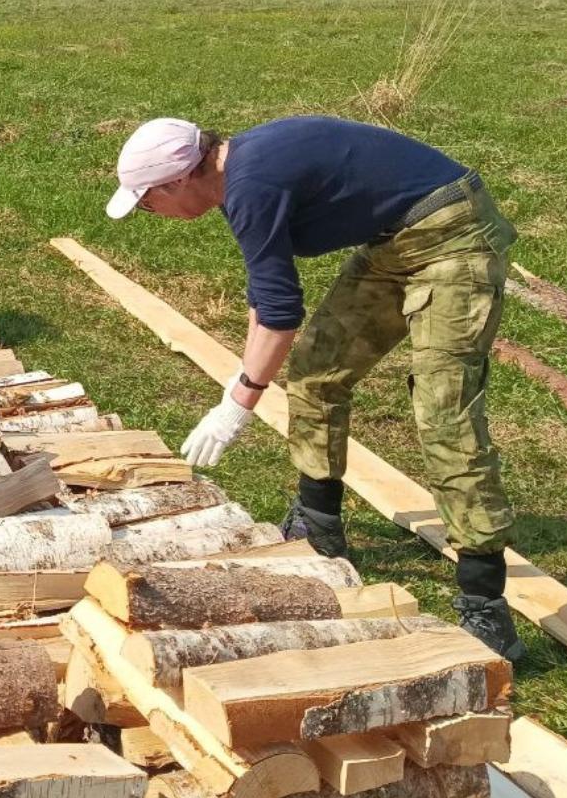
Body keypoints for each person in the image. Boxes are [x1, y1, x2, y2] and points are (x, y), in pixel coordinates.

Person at [105, 114, 525, 660]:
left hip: (452, 236)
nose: (149, 212)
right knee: (315, 371)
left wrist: (239, 403)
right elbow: (269, 301)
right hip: (395, 240)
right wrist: (242, 385)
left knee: (443, 411)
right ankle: (319, 528)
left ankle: (484, 602)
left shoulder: (252, 186)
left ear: (178, 180)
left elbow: (279, 315)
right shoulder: (243, 175)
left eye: (146, 201)